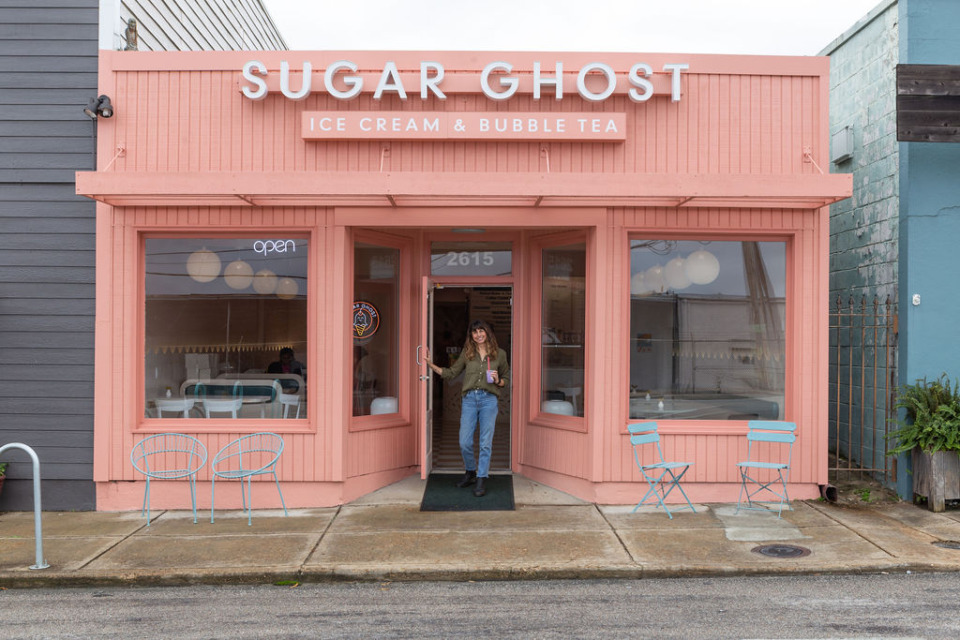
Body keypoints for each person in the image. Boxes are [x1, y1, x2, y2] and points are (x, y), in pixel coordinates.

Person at [426, 320, 509, 497]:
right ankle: (470, 471)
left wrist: (497, 381)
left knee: (485, 443)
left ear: (488, 333)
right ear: (471, 335)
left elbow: (506, 378)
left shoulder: (499, 354)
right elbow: (451, 373)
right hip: (470, 400)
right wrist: (430, 364)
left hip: (489, 400)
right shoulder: (467, 353)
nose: (478, 334)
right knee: (464, 441)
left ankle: (481, 478)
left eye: (481, 331)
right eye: (474, 332)